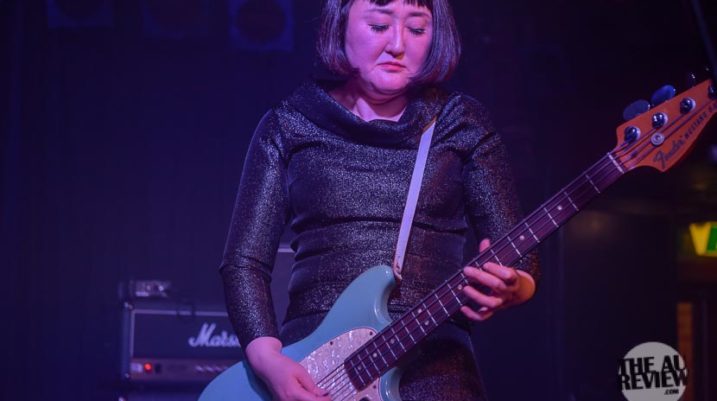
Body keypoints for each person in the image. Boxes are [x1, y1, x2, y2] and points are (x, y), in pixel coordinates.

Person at [219, 0, 539, 400]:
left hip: (436, 366)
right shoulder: (289, 124)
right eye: (379, 26)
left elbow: (520, 257)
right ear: (341, 27)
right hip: (317, 369)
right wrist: (268, 360)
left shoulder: (462, 123)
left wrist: (514, 286)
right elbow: (244, 262)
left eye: (417, 30)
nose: (398, 45)